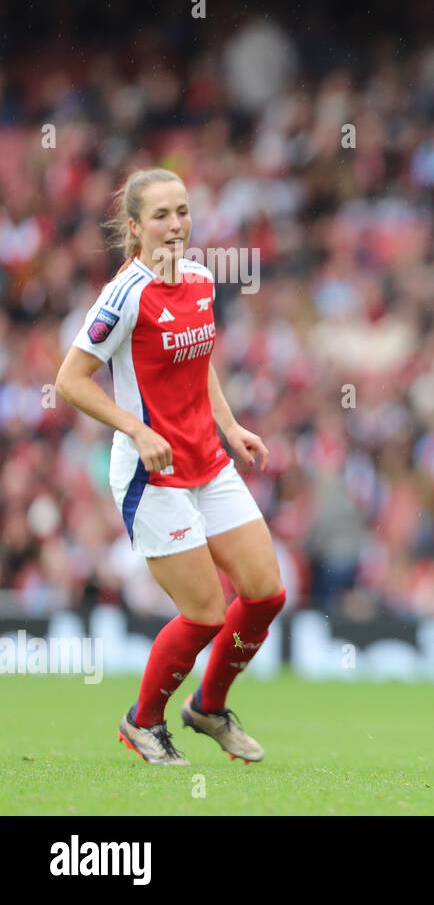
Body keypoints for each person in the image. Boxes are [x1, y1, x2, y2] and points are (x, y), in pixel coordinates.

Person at [55, 168, 286, 765]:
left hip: (206, 459)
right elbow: (69, 380)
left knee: (265, 595)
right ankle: (143, 722)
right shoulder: (124, 295)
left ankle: (208, 708)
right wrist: (135, 428)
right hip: (149, 473)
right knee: (206, 613)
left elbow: (198, 357)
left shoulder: (203, 279)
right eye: (161, 215)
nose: (176, 224)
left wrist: (229, 425)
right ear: (134, 228)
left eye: (182, 211)